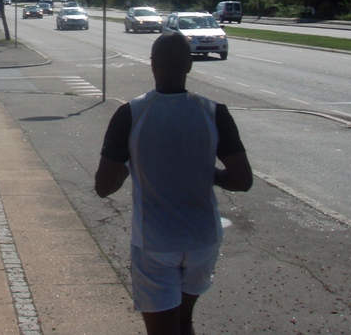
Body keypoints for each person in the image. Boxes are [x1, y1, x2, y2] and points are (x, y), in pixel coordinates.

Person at [95, 32, 253, 335]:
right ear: (189, 66)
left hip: (155, 244)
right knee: (184, 321)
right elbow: (242, 180)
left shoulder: (131, 114)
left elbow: (104, 187)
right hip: (203, 241)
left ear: (152, 65)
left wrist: (131, 163)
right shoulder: (214, 112)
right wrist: (211, 174)